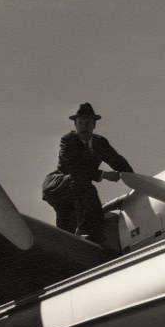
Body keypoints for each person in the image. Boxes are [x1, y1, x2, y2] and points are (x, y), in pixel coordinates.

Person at [42, 102, 133, 244]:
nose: (84, 127)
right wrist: (104, 175)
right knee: (84, 187)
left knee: (67, 230)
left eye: (87, 123)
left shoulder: (100, 142)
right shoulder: (67, 141)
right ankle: (87, 232)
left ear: (94, 124)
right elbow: (75, 168)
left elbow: (117, 161)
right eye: (80, 123)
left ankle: (76, 247)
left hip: (77, 194)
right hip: (59, 186)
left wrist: (135, 181)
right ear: (75, 125)